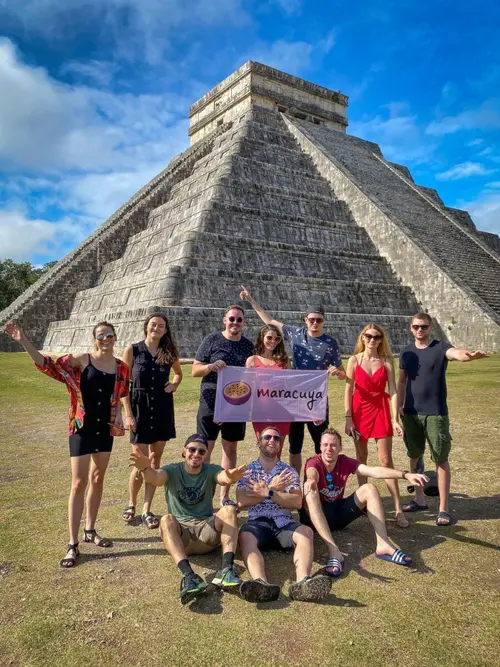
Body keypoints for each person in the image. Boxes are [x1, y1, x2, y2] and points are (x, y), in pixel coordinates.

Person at [3, 320, 129, 568]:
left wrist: (123, 416)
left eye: (109, 335)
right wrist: (24, 341)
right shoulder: (82, 360)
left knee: (97, 479)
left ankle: (90, 530)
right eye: (101, 335)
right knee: (78, 483)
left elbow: (121, 394)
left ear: (115, 338)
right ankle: (73, 544)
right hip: (82, 427)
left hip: (105, 429)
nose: (106, 339)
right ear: (95, 339)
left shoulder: (121, 368)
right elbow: (47, 365)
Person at [129, 434, 247, 604]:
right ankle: (189, 576)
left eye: (201, 451)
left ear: (205, 455)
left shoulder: (210, 470)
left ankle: (226, 571)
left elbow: (222, 477)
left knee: (229, 510)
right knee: (166, 519)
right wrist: (145, 469)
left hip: (206, 534)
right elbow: (155, 478)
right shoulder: (172, 470)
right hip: (181, 537)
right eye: (192, 449)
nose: (196, 454)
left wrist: (230, 477)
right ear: (184, 451)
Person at [239, 286, 345, 475]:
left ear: (323, 321)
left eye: (319, 320)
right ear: (305, 320)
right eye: (311, 319)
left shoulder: (331, 343)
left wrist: (337, 372)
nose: (315, 323)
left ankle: (320, 483)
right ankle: (295, 481)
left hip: (316, 400)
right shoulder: (297, 334)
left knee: (320, 443)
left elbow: (342, 372)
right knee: (294, 446)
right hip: (294, 399)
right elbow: (269, 321)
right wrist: (251, 300)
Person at [398, 312, 488, 526]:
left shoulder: (440, 347)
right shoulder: (406, 352)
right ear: (411, 328)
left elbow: (455, 353)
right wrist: (400, 406)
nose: (420, 330)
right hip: (410, 413)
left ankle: (443, 508)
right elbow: (402, 381)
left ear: (431, 328)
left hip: (435, 413)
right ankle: (419, 499)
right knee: (414, 456)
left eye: (424, 327)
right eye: (417, 326)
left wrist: (468, 356)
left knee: (440, 459)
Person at [300, 429, 428, 575]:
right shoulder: (314, 462)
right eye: (325, 445)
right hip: (314, 517)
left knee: (369, 489)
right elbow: (312, 472)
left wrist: (405, 475)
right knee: (310, 492)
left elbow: (374, 471)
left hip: (337, 514)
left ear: (340, 448)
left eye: (333, 445)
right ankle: (334, 552)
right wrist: (311, 479)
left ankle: (383, 544)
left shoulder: (344, 461)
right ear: (320, 446)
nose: (329, 449)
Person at [236, 426, 332, 603]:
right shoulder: (248, 471)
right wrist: (273, 489)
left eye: (276, 438)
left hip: (284, 524)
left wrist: (268, 493)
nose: (272, 440)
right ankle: (260, 583)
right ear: (259, 441)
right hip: (258, 523)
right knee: (245, 536)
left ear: (280, 445)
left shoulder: (288, 471)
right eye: (267, 437)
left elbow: (296, 501)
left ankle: (303, 583)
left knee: (306, 533)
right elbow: (242, 501)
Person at [121, 313, 182, 529]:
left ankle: (147, 509)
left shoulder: (169, 351)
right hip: (139, 407)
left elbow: (178, 374)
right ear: (146, 327)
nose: (156, 328)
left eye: (161, 326)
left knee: (155, 461)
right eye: (153, 324)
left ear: (165, 330)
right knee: (139, 461)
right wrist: (127, 414)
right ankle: (131, 503)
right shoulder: (133, 350)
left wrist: (174, 385)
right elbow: (122, 384)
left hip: (162, 407)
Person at [344, 323, 408, 528]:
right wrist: (348, 418)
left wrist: (394, 419)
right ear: (362, 338)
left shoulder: (387, 362)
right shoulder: (353, 361)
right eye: (368, 336)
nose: (372, 340)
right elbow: (348, 390)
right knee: (361, 458)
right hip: (359, 412)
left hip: (380, 409)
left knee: (386, 460)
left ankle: (398, 509)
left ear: (381, 339)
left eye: (376, 336)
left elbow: (394, 391)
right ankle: (363, 503)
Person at [192, 305, 254, 505]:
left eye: (239, 320)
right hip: (211, 403)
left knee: (230, 449)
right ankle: (204, 495)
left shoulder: (248, 346)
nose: (235, 323)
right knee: (205, 449)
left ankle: (224, 496)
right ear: (224, 320)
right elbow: (195, 370)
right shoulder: (212, 340)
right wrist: (211, 366)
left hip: (236, 405)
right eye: (232, 319)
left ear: (243, 322)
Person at [246, 324, 291, 447]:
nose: (273, 341)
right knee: (264, 448)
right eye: (269, 338)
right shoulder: (252, 360)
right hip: (260, 411)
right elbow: (246, 387)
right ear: (262, 338)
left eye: (277, 339)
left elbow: (290, 385)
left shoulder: (284, 360)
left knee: (277, 450)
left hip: (281, 411)